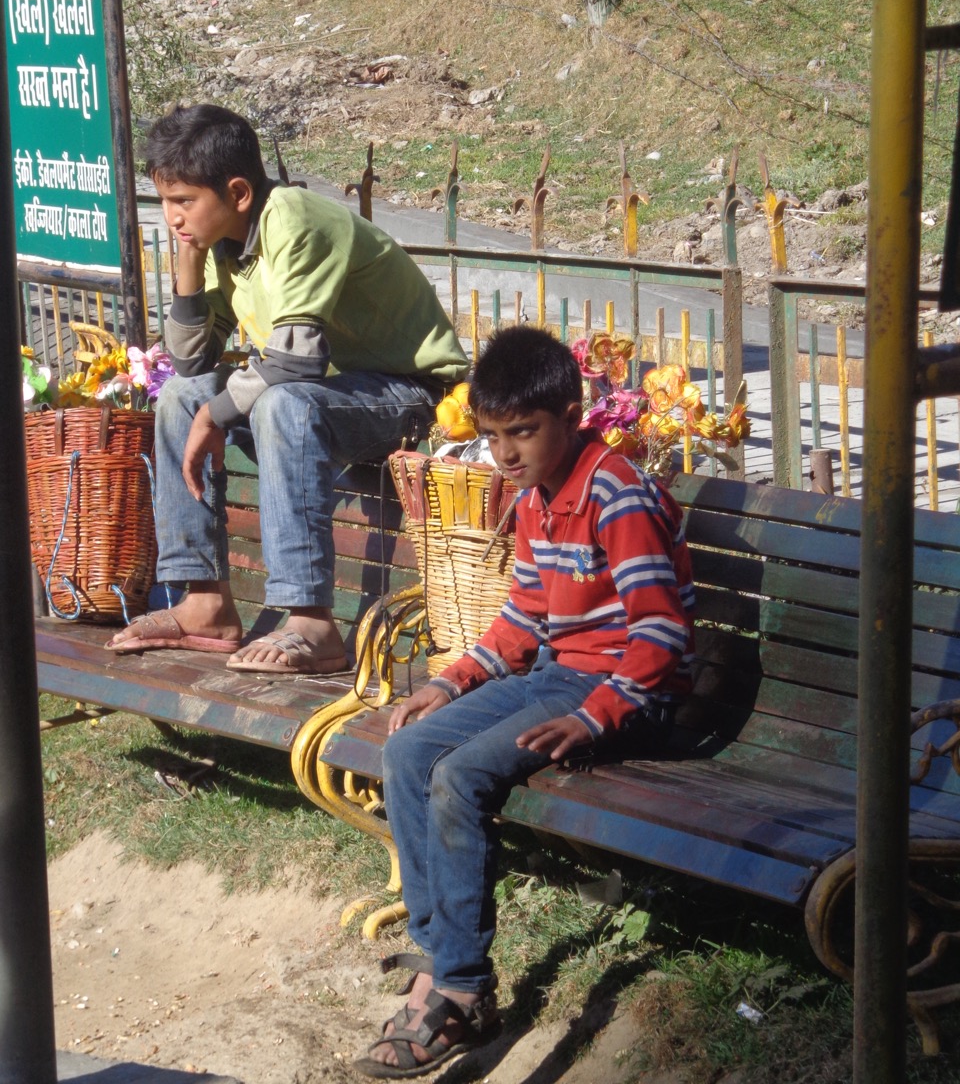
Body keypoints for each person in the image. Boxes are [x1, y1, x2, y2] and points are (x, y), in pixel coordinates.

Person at [355, 325, 694, 1079]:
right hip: (559, 676)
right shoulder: (535, 498)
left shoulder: (615, 494)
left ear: (572, 417)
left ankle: (463, 992)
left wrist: (594, 717)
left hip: (626, 694)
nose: (505, 454)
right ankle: (441, 957)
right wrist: (450, 682)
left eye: (523, 433)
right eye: (493, 436)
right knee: (408, 749)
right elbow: (525, 616)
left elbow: (661, 631)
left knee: (459, 775)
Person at [108, 103, 469, 673]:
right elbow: (190, 361)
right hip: (322, 399)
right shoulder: (219, 240)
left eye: (183, 201)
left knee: (280, 402)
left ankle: (311, 621)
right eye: (165, 201)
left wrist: (215, 415)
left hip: (412, 394)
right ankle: (205, 604)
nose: (171, 217)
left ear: (238, 193)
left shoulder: (297, 222)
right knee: (180, 396)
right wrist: (188, 260)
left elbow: (298, 360)